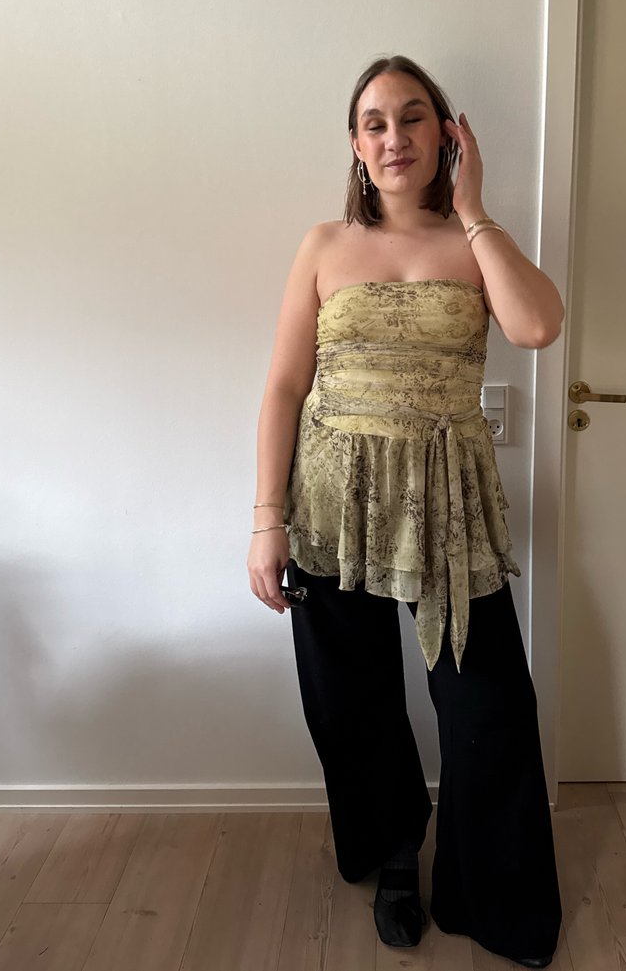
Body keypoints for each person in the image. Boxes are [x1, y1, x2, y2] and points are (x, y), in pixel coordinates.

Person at [247, 55, 564, 967]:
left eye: (414, 117)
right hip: (330, 504)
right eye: (376, 123)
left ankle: (489, 894)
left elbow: (538, 326)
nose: (395, 137)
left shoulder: (475, 242)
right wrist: (266, 519)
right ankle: (392, 855)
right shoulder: (323, 245)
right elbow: (283, 386)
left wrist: (476, 208)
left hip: (447, 505)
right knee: (350, 701)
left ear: (447, 134)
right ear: (355, 144)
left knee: (488, 705)